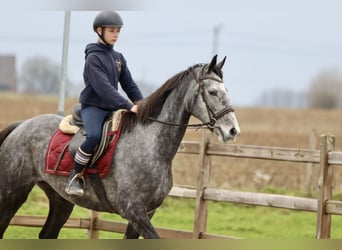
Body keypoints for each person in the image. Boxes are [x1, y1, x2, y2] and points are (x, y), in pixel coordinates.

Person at [65, 11, 144, 196]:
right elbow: (104, 89)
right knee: (93, 136)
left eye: (118, 31)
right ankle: (75, 176)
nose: (116, 34)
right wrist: (128, 105)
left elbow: (129, 85)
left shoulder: (119, 58)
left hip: (113, 108)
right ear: (99, 31)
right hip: (94, 107)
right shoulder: (93, 58)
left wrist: (141, 104)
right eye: (112, 31)